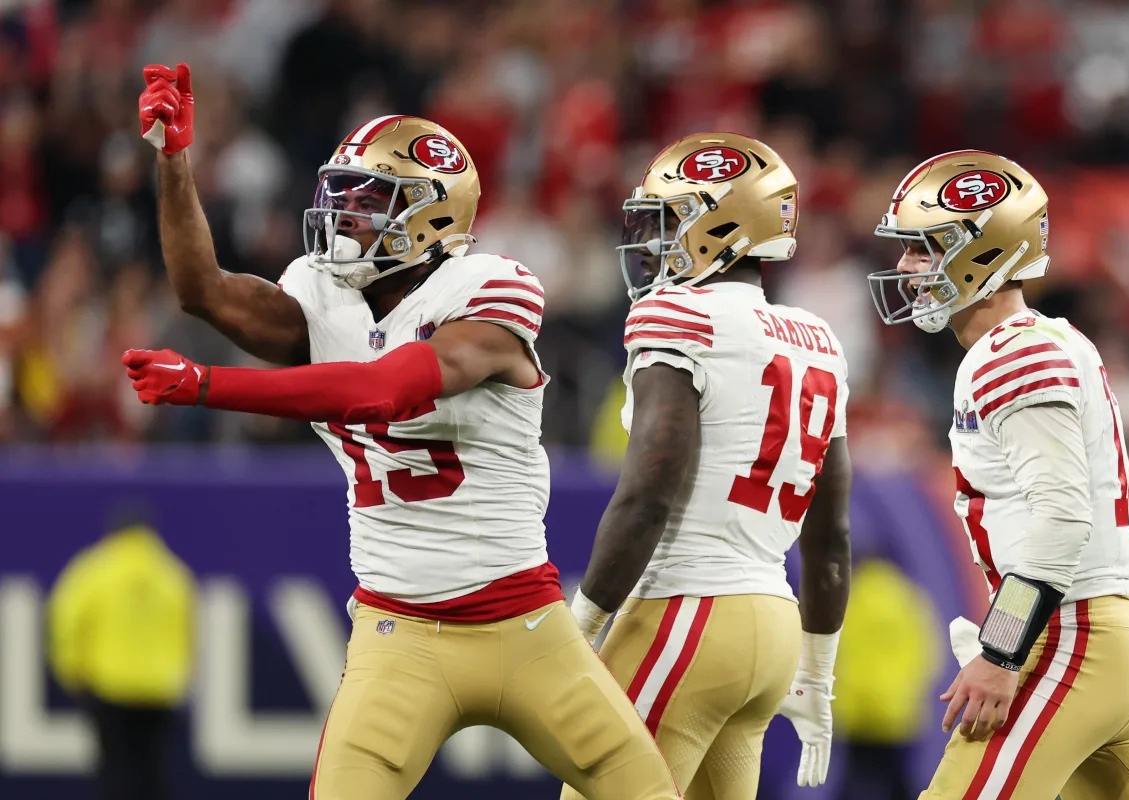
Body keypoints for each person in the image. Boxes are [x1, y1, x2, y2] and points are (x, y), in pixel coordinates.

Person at [127, 62, 681, 800]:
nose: (345, 214)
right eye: (341, 194)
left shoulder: (488, 289)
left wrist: (206, 384)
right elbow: (204, 292)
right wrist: (174, 160)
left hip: (523, 623)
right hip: (396, 634)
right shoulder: (321, 294)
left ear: (434, 217)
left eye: (371, 200)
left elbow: (383, 390)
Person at [868, 149, 1129, 799]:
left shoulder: (1012, 353)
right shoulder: (1044, 340)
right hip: (1115, 638)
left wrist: (1001, 649)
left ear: (982, 252)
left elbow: (1062, 517)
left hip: (1072, 638)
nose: (904, 266)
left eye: (923, 248)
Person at [563, 132, 853, 799]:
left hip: (687, 609)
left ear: (720, 227)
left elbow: (649, 493)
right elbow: (831, 535)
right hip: (773, 623)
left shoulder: (677, 315)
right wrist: (817, 670)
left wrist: (578, 627)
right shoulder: (820, 339)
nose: (653, 240)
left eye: (669, 221)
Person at [47, 512, 196, 800]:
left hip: (111, 685)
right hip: (158, 689)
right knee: (153, 769)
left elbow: (68, 621)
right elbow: (186, 631)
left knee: (116, 769)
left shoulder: (95, 570)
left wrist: (72, 672)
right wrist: (178, 677)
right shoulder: (171, 573)